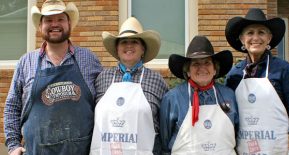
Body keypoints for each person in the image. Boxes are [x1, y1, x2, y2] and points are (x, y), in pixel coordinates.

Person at [4, 0, 103, 155]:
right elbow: (12, 106)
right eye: (48, 20)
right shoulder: (26, 62)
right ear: (40, 26)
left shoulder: (89, 59)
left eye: (60, 19)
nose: (54, 24)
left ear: (69, 24)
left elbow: (103, 104)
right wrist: (13, 145)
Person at [225, 8, 289, 155]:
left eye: (261, 32)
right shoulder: (234, 74)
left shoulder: (283, 70)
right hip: (244, 150)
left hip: (279, 150)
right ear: (242, 39)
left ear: (269, 38)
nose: (255, 38)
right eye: (250, 32)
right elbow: (229, 116)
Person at [89, 17, 168, 155]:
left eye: (135, 42)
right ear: (117, 49)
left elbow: (165, 126)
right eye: (124, 42)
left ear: (143, 49)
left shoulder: (157, 81)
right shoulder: (102, 78)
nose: (129, 46)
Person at [160, 35, 238, 155]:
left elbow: (237, 134)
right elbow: (165, 144)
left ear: (215, 69)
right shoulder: (173, 98)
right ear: (188, 71)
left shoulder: (229, 95)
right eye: (196, 64)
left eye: (207, 63)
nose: (202, 68)